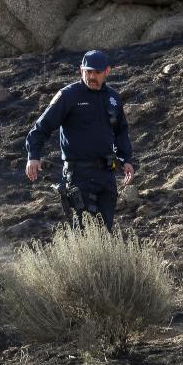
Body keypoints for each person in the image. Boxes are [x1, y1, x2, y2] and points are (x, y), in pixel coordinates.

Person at [25, 49, 136, 230]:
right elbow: (41, 127)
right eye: (88, 72)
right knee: (85, 231)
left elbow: (121, 131)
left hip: (107, 175)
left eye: (97, 73)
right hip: (79, 176)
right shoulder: (68, 96)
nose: (92, 76)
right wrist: (33, 156)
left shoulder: (113, 98)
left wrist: (126, 160)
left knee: (106, 230)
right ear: (81, 70)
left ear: (107, 71)